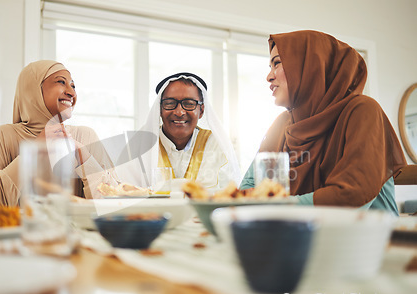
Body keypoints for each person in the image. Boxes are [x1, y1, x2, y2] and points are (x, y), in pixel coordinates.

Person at [240, 30, 407, 215]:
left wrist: (278, 207)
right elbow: (249, 185)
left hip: (371, 240)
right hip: (302, 234)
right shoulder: (283, 123)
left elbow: (352, 196)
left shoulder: (362, 110)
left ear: (312, 66)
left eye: (277, 63)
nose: (269, 77)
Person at [0, 60, 114, 206]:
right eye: (61, 82)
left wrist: (84, 157)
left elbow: (116, 205)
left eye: (73, 85)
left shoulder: (85, 137)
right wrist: (33, 150)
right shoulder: (4, 136)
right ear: (32, 90)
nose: (71, 93)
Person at [116, 72, 240, 191]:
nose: (179, 112)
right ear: (159, 110)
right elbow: (125, 196)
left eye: (189, 104)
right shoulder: (138, 147)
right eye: (170, 103)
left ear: (201, 110)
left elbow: (228, 197)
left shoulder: (216, 144)